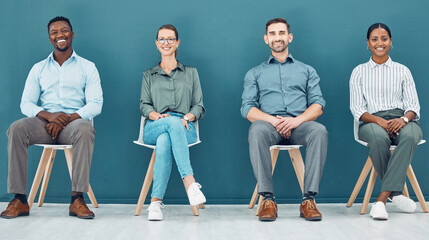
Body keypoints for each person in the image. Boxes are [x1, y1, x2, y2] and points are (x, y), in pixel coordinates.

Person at [1, 16, 103, 219]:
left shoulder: (87, 67)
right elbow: (26, 103)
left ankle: (77, 199)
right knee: (17, 128)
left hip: (74, 124)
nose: (60, 35)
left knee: (85, 129)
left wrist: (66, 118)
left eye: (64, 31)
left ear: (72, 35)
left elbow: (95, 104)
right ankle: (20, 199)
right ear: (50, 39)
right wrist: (50, 116)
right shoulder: (38, 68)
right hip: (44, 124)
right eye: (54, 32)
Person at [241, 17, 328, 221]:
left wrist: (295, 121)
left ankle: (309, 200)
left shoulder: (307, 70)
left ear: (289, 37)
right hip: (269, 127)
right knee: (256, 130)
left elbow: (318, 105)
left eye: (281, 33)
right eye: (272, 34)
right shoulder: (255, 73)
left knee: (319, 131)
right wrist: (274, 121)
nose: (277, 38)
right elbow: (247, 109)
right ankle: (268, 200)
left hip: (300, 126)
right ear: (266, 39)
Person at [350, 23, 422, 220]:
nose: (379, 43)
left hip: (402, 119)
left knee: (413, 135)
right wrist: (379, 121)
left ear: (390, 42)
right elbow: (357, 108)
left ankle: (382, 199)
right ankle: (396, 194)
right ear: (368, 43)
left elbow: (414, 106)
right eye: (374, 39)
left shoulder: (403, 71)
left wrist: (404, 119)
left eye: (384, 39)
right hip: (371, 121)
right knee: (377, 136)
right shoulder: (359, 72)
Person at [140, 24, 206, 221]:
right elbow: (144, 105)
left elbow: (199, 106)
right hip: (155, 124)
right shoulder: (148, 75)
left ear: (177, 43)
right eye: (162, 39)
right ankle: (190, 182)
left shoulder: (191, 73)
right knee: (169, 126)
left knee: (164, 141)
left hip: (185, 126)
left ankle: (154, 203)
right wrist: (156, 115)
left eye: (170, 39)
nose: (166, 43)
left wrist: (186, 117)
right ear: (156, 43)